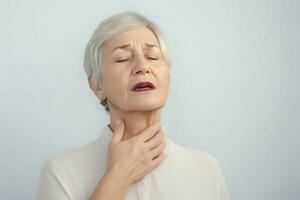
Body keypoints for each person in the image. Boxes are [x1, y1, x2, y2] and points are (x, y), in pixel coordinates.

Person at [36, 11, 231, 200]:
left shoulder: (206, 169)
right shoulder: (60, 172)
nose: (143, 67)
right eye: (123, 58)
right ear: (96, 85)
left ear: (168, 77)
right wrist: (119, 176)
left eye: (153, 57)